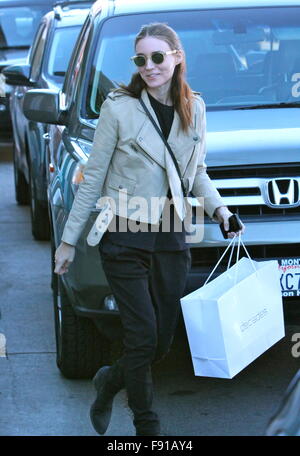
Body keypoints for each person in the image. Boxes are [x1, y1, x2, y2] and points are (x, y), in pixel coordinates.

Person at [54, 22, 245, 436]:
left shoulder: (195, 106)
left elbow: (198, 174)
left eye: (158, 56)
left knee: (160, 343)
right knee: (140, 337)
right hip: (124, 235)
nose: (150, 66)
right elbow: (93, 176)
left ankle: (109, 381)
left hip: (173, 236)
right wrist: (68, 241)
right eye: (141, 59)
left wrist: (221, 211)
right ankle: (148, 429)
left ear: (177, 56)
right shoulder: (118, 108)